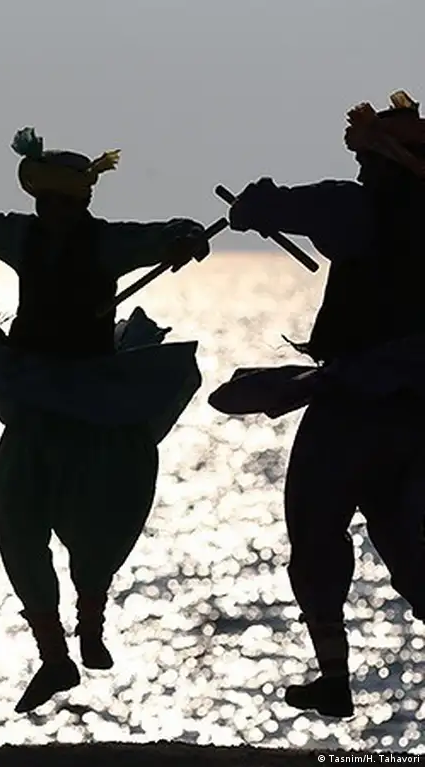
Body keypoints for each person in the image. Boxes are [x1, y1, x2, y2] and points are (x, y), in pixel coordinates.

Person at [0, 127, 211, 712]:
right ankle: (54, 657)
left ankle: (91, 622)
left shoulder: (107, 243)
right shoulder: (22, 236)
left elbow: (164, 233)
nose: (52, 212)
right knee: (17, 527)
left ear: (80, 201)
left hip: (92, 405)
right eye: (45, 202)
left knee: (98, 527)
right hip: (34, 405)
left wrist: (185, 236)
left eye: (62, 202)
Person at [208, 90, 425, 718]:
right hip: (417, 410)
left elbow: (276, 205)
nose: (360, 169)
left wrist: (252, 206)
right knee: (409, 546)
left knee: (315, 528)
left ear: (382, 161)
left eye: (365, 160)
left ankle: (333, 678)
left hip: (354, 403)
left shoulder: (358, 206)